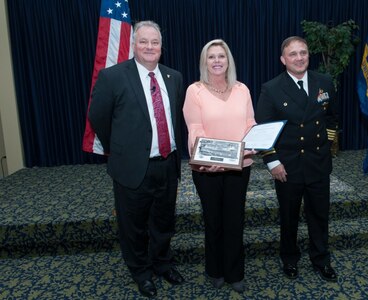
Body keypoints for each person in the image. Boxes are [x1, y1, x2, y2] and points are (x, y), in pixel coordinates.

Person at [88, 20, 185, 298]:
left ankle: (163, 263)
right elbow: (98, 118)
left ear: (161, 47)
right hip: (131, 167)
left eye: (155, 42)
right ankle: (141, 272)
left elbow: (176, 118)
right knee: (133, 225)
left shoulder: (173, 77)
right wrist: (120, 148)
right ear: (133, 45)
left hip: (167, 165)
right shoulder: (113, 76)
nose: (149, 47)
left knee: (164, 221)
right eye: (143, 41)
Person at [255, 36, 339, 282]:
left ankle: (321, 259)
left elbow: (332, 118)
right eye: (293, 54)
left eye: (303, 52)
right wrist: (273, 162)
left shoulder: (323, 82)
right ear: (283, 59)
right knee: (289, 216)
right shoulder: (271, 88)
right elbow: (263, 128)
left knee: (320, 215)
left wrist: (327, 146)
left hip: (318, 162)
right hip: (288, 166)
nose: (299, 58)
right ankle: (289, 258)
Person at [183, 39, 256, 293]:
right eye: (211, 57)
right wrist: (206, 161)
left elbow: (250, 123)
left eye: (221, 57)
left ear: (228, 61)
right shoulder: (195, 91)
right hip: (207, 170)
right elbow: (195, 129)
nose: (216, 61)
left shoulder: (242, 89)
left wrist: (256, 142)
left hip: (239, 167)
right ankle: (214, 269)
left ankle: (235, 272)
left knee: (234, 220)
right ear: (205, 62)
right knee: (213, 220)